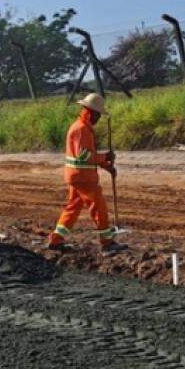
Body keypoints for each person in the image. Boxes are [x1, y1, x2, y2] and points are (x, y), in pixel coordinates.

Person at [47, 94, 126, 254]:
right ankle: (107, 243)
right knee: (99, 208)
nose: (98, 118)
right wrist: (106, 157)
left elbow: (89, 154)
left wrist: (105, 165)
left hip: (77, 176)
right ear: (89, 112)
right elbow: (84, 156)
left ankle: (56, 240)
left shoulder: (84, 128)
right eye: (97, 114)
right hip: (83, 177)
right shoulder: (81, 129)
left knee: (73, 207)